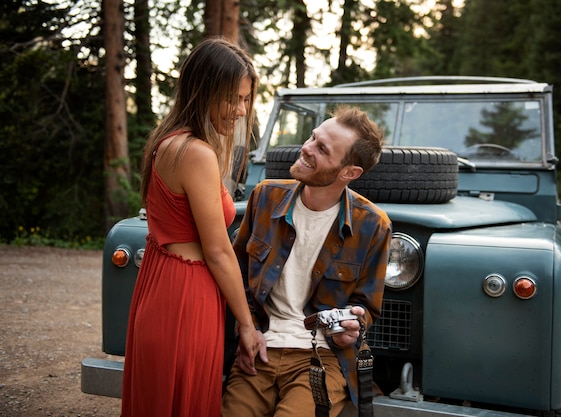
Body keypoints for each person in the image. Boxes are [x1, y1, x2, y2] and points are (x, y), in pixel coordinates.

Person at [221, 106, 392, 417]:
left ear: (349, 173)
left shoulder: (373, 225)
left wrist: (353, 325)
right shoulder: (265, 197)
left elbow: (367, 307)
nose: (306, 148)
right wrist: (247, 329)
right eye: (313, 137)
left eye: (322, 149)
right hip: (260, 346)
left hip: (323, 358)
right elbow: (237, 273)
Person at [120, 37, 259, 417]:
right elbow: (217, 250)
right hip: (186, 295)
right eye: (234, 98)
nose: (241, 110)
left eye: (246, 99)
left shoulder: (165, 142)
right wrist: (247, 324)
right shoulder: (196, 153)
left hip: (159, 283)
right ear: (204, 90)